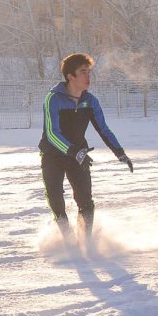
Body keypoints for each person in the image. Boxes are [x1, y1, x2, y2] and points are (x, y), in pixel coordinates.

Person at [39, 53, 133, 236]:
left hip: (78, 156)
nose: (88, 76)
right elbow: (52, 133)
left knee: (86, 202)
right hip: (53, 156)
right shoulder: (53, 99)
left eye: (89, 72)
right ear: (70, 76)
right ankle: (67, 241)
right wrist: (74, 151)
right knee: (56, 199)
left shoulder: (90, 101)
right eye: (83, 72)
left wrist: (120, 152)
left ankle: (86, 242)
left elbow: (103, 129)